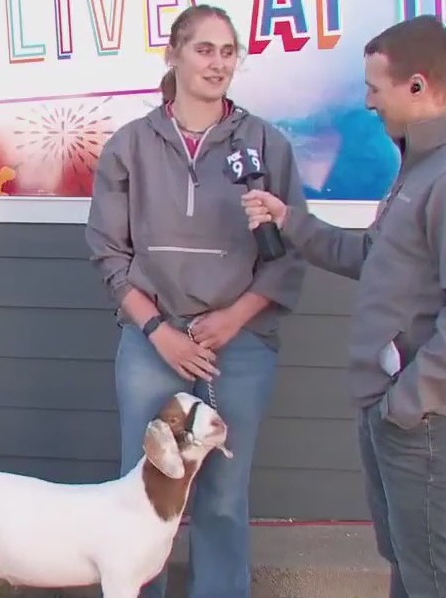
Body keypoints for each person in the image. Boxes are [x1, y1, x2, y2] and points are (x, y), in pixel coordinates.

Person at [243, 15, 446, 598]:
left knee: (432, 575)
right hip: (390, 406)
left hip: (423, 416)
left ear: (416, 86)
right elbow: (371, 255)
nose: (368, 102)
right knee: (407, 561)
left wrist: (409, 402)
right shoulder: (420, 168)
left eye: (375, 88)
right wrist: (290, 222)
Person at [84, 5, 307, 598]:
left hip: (237, 348)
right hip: (152, 343)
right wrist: (159, 330)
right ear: (174, 54)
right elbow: (107, 251)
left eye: (227, 51)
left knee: (225, 499)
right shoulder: (131, 146)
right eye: (204, 49)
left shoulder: (265, 145)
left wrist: (233, 320)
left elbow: (289, 251)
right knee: (144, 497)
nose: (217, 62)